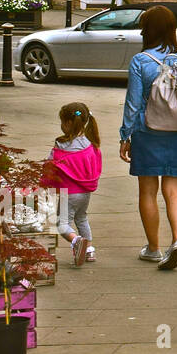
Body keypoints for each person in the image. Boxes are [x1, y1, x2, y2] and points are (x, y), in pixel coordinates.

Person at [119, 5, 177, 270]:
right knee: (174, 191)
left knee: (147, 191)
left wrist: (125, 136)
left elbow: (133, 104)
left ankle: (154, 249)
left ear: (148, 29)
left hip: (148, 133)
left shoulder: (141, 60)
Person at [42, 101, 103, 267]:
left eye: (62, 122)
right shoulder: (91, 145)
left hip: (67, 192)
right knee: (82, 218)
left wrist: (43, 183)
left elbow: (49, 166)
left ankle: (76, 241)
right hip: (85, 192)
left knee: (62, 224)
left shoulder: (61, 146)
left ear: (68, 123)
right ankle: (89, 250)